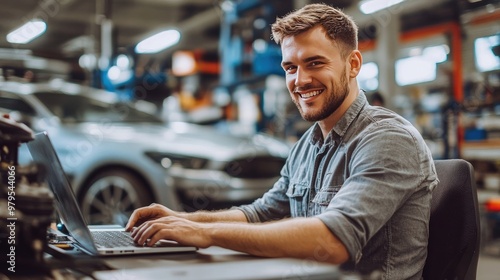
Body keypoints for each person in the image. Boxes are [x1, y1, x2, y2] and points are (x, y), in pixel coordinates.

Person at [126, 3, 437, 279]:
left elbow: (334, 242)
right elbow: (260, 214)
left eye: (315, 63)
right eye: (291, 67)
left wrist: (206, 233)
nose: (300, 81)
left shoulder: (387, 139)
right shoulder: (307, 145)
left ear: (353, 64)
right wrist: (183, 220)